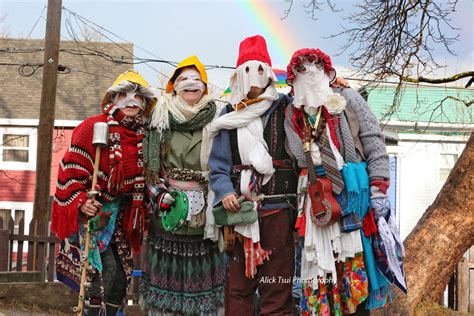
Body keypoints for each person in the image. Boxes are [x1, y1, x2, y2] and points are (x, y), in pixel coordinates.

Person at [284, 48, 406, 315]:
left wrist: (378, 188)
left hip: (352, 196)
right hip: (315, 200)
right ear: (293, 79)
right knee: (318, 273)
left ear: (327, 71)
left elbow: (374, 141)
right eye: (301, 70)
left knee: (354, 271)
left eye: (315, 67)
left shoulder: (348, 98)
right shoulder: (290, 115)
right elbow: (297, 158)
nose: (309, 74)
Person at [51, 70, 157, 315]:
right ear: (112, 99)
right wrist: (80, 201)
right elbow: (70, 168)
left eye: (138, 96)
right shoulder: (93, 127)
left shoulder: (146, 136)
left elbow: (150, 177)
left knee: (121, 276)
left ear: (145, 103)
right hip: (93, 214)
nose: (131, 101)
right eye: (124, 95)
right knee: (102, 274)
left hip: (120, 217)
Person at [207, 35, 299, 316]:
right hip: (240, 214)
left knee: (277, 288)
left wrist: (334, 86)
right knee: (238, 289)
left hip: (279, 211)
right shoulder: (227, 115)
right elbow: (218, 166)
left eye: (260, 69)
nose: (254, 78)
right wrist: (225, 193)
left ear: (269, 73)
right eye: (247, 70)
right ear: (238, 75)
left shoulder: (287, 108)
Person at [140, 55, 225, 315]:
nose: (190, 84)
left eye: (196, 79)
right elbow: (149, 166)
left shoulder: (218, 120)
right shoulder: (159, 119)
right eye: (183, 79)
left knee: (201, 287)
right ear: (173, 86)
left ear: (205, 87)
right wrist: (160, 194)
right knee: (166, 287)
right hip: (168, 214)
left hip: (203, 218)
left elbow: (225, 162)